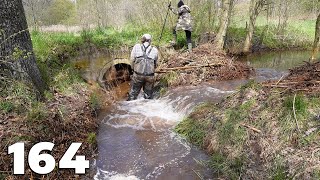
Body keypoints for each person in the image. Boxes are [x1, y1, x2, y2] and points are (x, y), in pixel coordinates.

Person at [127, 34, 159, 101]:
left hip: (138, 75)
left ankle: (131, 105)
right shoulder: (155, 50)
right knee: (148, 96)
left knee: (133, 94)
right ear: (150, 41)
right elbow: (156, 64)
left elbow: (132, 60)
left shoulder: (136, 47)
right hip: (150, 76)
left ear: (142, 39)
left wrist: (133, 69)